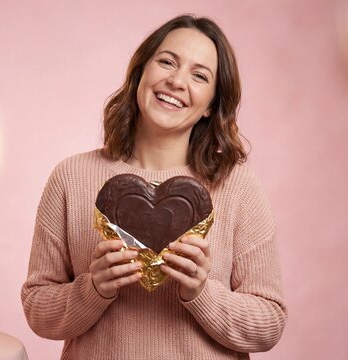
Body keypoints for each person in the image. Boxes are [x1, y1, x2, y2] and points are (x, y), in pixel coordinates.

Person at [21, 14, 287, 360]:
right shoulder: (71, 177)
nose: (177, 81)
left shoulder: (237, 188)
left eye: (199, 75)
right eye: (167, 62)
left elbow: (269, 324)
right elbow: (38, 311)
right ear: (141, 73)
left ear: (211, 106)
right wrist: (94, 287)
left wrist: (201, 292)